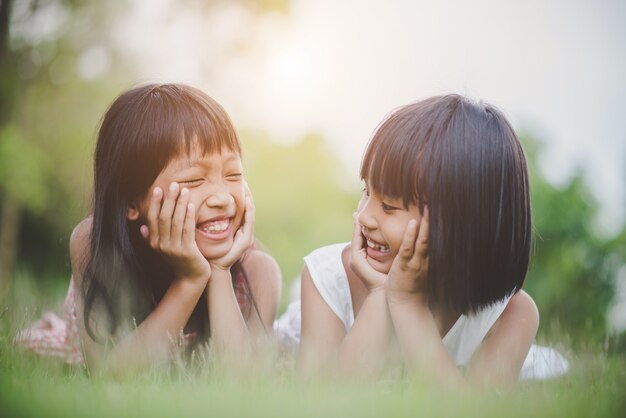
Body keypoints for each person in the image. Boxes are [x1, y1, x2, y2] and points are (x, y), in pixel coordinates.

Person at [276, 94, 567, 387]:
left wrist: (408, 304)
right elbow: (323, 399)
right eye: (366, 192)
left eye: (388, 206)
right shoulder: (327, 278)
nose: (363, 217)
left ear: (459, 225)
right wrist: (380, 293)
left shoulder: (513, 315)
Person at [15, 83, 282, 375]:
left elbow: (245, 389)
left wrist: (219, 271)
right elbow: (110, 377)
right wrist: (190, 280)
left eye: (233, 174)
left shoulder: (258, 273)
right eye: (194, 180)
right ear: (132, 200)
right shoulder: (94, 243)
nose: (222, 198)